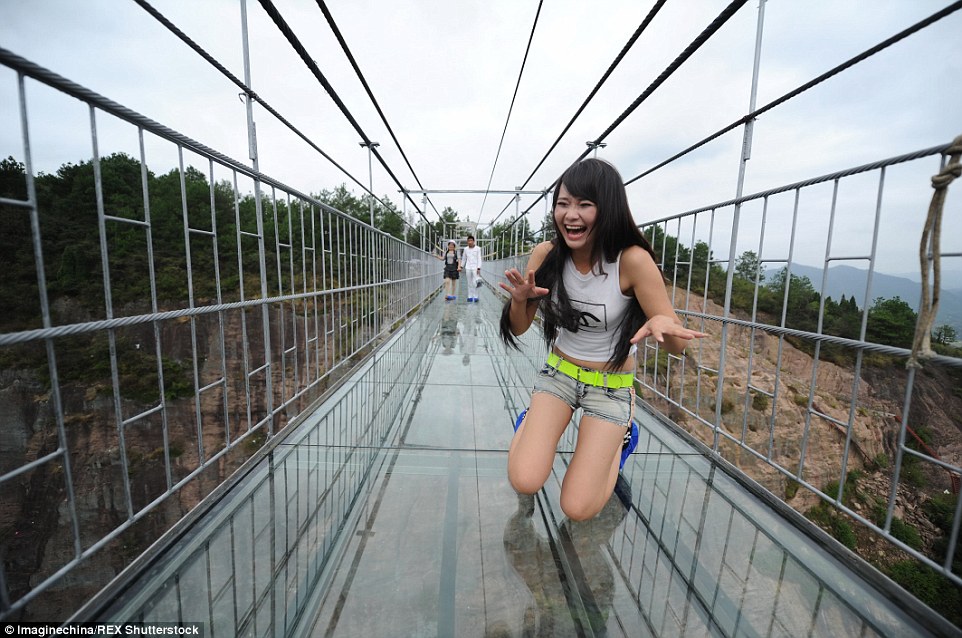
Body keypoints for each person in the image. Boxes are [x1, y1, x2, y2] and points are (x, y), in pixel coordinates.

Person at [499, 158, 705, 521]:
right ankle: (531, 421)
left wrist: (662, 321)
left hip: (611, 387)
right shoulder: (547, 254)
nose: (570, 215)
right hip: (559, 376)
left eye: (584, 204)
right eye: (563, 203)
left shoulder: (633, 261)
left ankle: (622, 440)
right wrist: (519, 302)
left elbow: (677, 346)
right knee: (525, 480)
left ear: (607, 208)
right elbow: (518, 328)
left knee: (577, 509)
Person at [460, 234, 483, 302]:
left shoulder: (478, 248)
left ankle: (475, 296)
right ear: (467, 241)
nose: (470, 242)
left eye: (471, 240)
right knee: (469, 282)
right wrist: (461, 266)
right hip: (468, 267)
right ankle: (470, 296)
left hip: (475, 267)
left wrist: (479, 268)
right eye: (469, 240)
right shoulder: (466, 249)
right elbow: (464, 258)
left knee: (475, 282)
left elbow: (479, 258)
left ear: (474, 241)